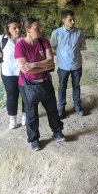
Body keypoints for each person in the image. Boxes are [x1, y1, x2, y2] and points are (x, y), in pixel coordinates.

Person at [15, 18, 66, 151]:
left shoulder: (44, 42)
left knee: (52, 109)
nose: (40, 30)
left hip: (45, 82)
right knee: (31, 113)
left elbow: (51, 60)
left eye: (40, 27)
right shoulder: (20, 46)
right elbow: (26, 69)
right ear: (28, 30)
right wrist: (45, 67)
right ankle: (34, 139)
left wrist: (35, 64)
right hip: (28, 85)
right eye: (36, 28)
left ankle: (57, 131)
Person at [0, 18, 24, 129]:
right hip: (9, 73)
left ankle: (25, 115)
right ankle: (13, 120)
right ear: (7, 29)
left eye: (19, 27)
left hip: (23, 72)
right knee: (12, 96)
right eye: (14, 28)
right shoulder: (2, 39)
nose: (17, 30)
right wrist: (1, 55)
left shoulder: (24, 39)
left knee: (26, 95)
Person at [50, 10, 85, 119]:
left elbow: (80, 46)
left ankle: (78, 107)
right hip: (63, 66)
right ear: (64, 20)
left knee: (76, 86)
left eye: (74, 19)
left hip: (76, 65)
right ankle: (61, 109)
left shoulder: (79, 33)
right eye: (70, 20)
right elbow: (53, 47)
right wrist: (63, 55)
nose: (73, 21)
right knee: (61, 87)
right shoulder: (56, 33)